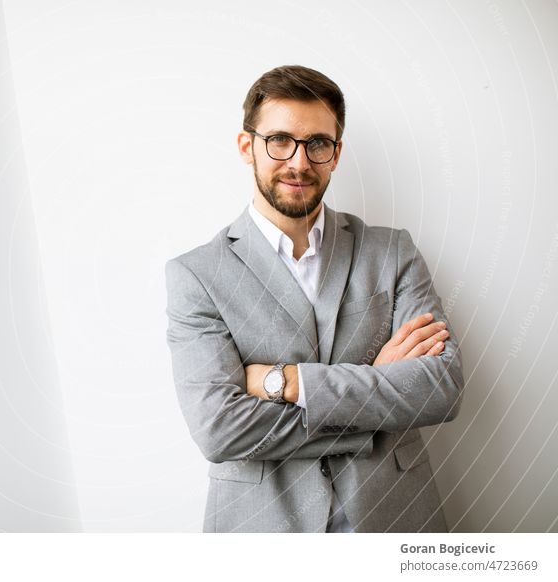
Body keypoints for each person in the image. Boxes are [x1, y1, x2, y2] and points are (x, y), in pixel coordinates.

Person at [165, 65, 464, 533]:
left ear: (336, 153)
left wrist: (288, 384)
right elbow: (219, 429)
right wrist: (375, 388)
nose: (299, 162)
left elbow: (439, 388)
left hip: (396, 518)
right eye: (279, 140)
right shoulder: (196, 275)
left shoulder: (392, 251)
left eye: (317, 144)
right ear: (248, 147)